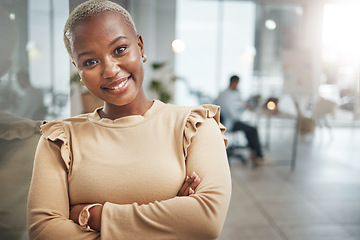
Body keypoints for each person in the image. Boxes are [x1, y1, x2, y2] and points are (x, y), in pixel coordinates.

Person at [27, 1, 231, 239]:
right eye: (90, 62)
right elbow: (44, 232)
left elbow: (206, 221)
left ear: (140, 47)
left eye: (119, 49)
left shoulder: (195, 125)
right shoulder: (60, 139)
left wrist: (94, 216)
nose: (110, 70)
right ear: (78, 72)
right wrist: (171, 220)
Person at [215, 75, 268, 166]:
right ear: (234, 83)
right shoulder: (226, 96)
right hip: (228, 123)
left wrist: (244, 106)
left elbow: (239, 104)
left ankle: (254, 152)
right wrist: (243, 110)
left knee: (250, 128)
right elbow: (232, 114)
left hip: (230, 120)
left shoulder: (230, 93)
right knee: (252, 129)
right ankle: (259, 156)